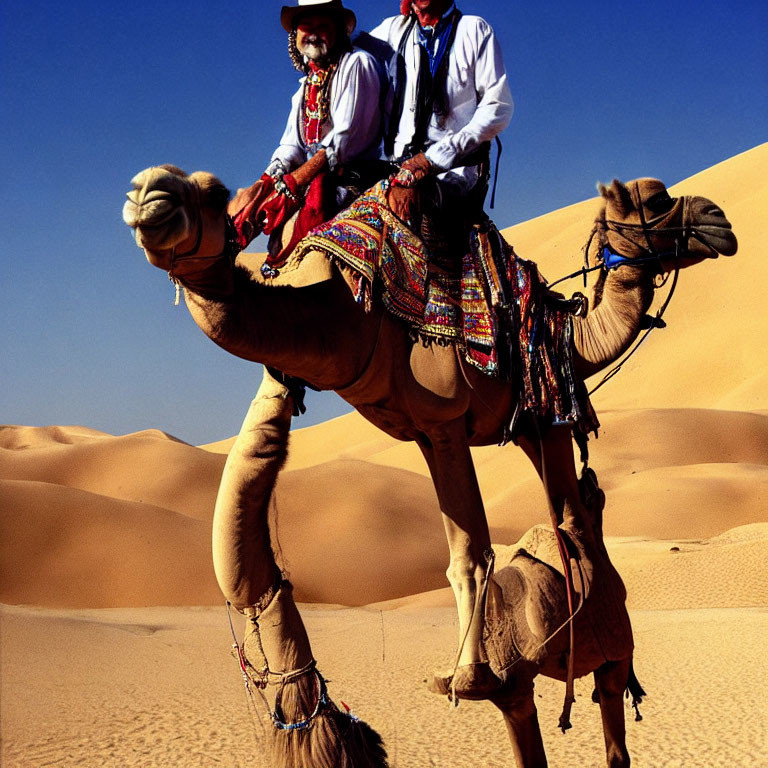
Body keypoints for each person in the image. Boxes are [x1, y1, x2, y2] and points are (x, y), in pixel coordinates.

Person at [229, 0, 384, 275]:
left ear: (338, 30)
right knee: (248, 201)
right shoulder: (304, 88)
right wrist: (265, 183)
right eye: (306, 27)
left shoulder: (357, 65)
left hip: (353, 176)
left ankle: (300, 273)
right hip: (309, 174)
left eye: (322, 26)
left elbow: (341, 143)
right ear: (296, 36)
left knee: (318, 193)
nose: (313, 33)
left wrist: (293, 182)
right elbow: (292, 146)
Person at [370, 0, 513, 264]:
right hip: (394, 168)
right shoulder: (392, 31)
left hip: (454, 170)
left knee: (415, 222)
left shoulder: (474, 31)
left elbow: (497, 107)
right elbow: (345, 51)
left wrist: (432, 159)